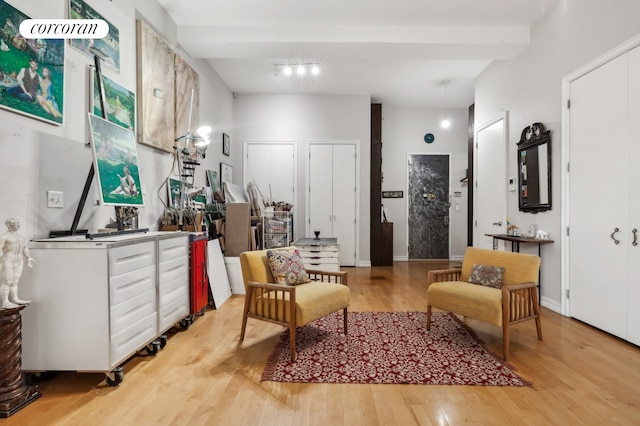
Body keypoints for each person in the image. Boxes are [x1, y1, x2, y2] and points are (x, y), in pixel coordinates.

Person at [0, 218, 35, 309]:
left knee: (15, 281)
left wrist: (28, 258)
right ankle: (5, 302)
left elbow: (25, 248)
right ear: (8, 225)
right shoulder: (4, 236)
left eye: (17, 223)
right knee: (7, 280)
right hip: (8, 259)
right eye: (13, 223)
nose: (16, 225)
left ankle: (14, 299)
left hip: (19, 259)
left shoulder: (21, 237)